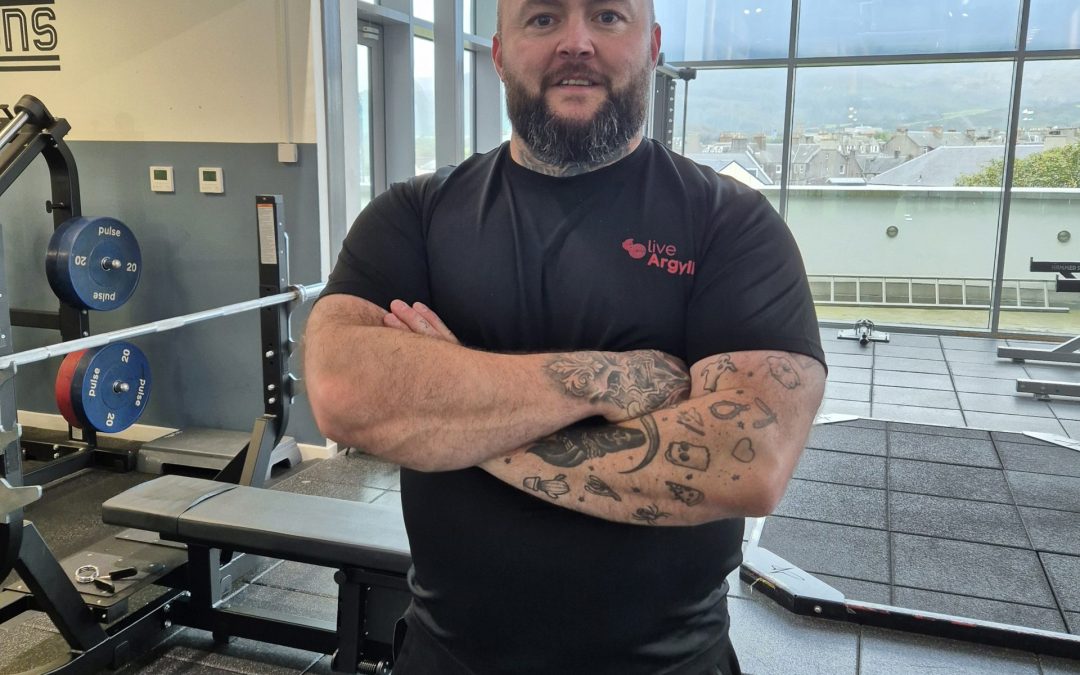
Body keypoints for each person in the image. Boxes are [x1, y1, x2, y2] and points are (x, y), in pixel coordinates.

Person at [303, 0, 827, 672]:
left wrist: (451, 412)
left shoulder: (731, 225)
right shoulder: (415, 216)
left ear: (652, 45)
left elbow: (747, 457)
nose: (576, 42)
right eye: (543, 18)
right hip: (447, 657)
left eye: (608, 17)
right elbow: (345, 390)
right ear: (498, 52)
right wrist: (604, 380)